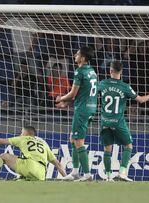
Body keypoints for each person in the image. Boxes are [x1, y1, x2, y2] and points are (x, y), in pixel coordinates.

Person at [98, 60, 149, 182]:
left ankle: (108, 176)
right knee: (128, 145)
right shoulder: (125, 87)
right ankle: (122, 173)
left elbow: (92, 93)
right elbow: (140, 100)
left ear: (110, 71)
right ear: (121, 72)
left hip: (105, 121)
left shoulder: (103, 83)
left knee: (107, 149)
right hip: (118, 122)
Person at [55, 46, 98, 181]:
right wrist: (67, 104)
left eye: (78, 54)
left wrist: (60, 98)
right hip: (90, 108)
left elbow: (73, 93)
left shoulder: (79, 71)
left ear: (83, 58)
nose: (75, 55)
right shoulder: (92, 71)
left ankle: (87, 174)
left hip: (82, 110)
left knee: (78, 141)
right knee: (73, 139)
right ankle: (74, 172)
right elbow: (81, 93)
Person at [0, 126, 67, 181]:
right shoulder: (44, 145)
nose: (20, 134)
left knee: (4, 156)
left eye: (21, 132)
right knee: (21, 179)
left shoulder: (22, 139)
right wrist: (66, 178)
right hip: (41, 174)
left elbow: (1, 140)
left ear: (27, 134)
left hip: (29, 166)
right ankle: (22, 179)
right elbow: (58, 164)